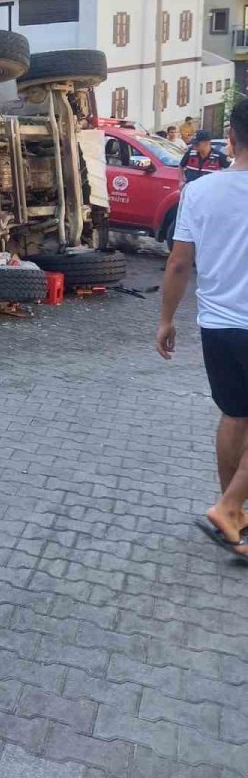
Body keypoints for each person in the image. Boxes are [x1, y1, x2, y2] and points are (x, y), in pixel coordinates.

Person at [157, 97, 248, 561]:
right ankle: (230, 508)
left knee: (235, 415)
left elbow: (178, 263)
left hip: (217, 324)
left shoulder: (199, 191)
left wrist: (166, 320)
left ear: (230, 139)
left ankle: (235, 513)